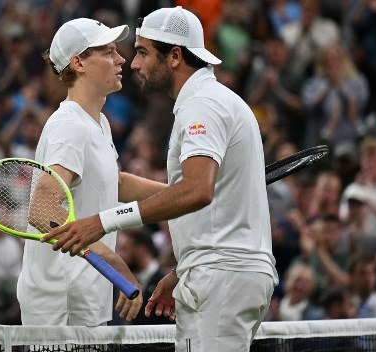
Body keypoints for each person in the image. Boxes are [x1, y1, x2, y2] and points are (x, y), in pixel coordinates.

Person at [43, 7, 278, 352]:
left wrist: (104, 223)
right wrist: (184, 270)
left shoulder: (202, 105)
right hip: (218, 272)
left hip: (222, 276)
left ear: (175, 56)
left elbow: (196, 191)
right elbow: (185, 195)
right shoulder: (209, 100)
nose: (132, 62)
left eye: (141, 52)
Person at [17, 17, 167, 327]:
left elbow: (117, 182)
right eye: (109, 52)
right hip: (61, 305)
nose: (122, 59)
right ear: (79, 63)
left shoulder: (98, 123)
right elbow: (43, 210)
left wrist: (180, 195)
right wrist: (114, 262)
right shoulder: (69, 127)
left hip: (84, 297)